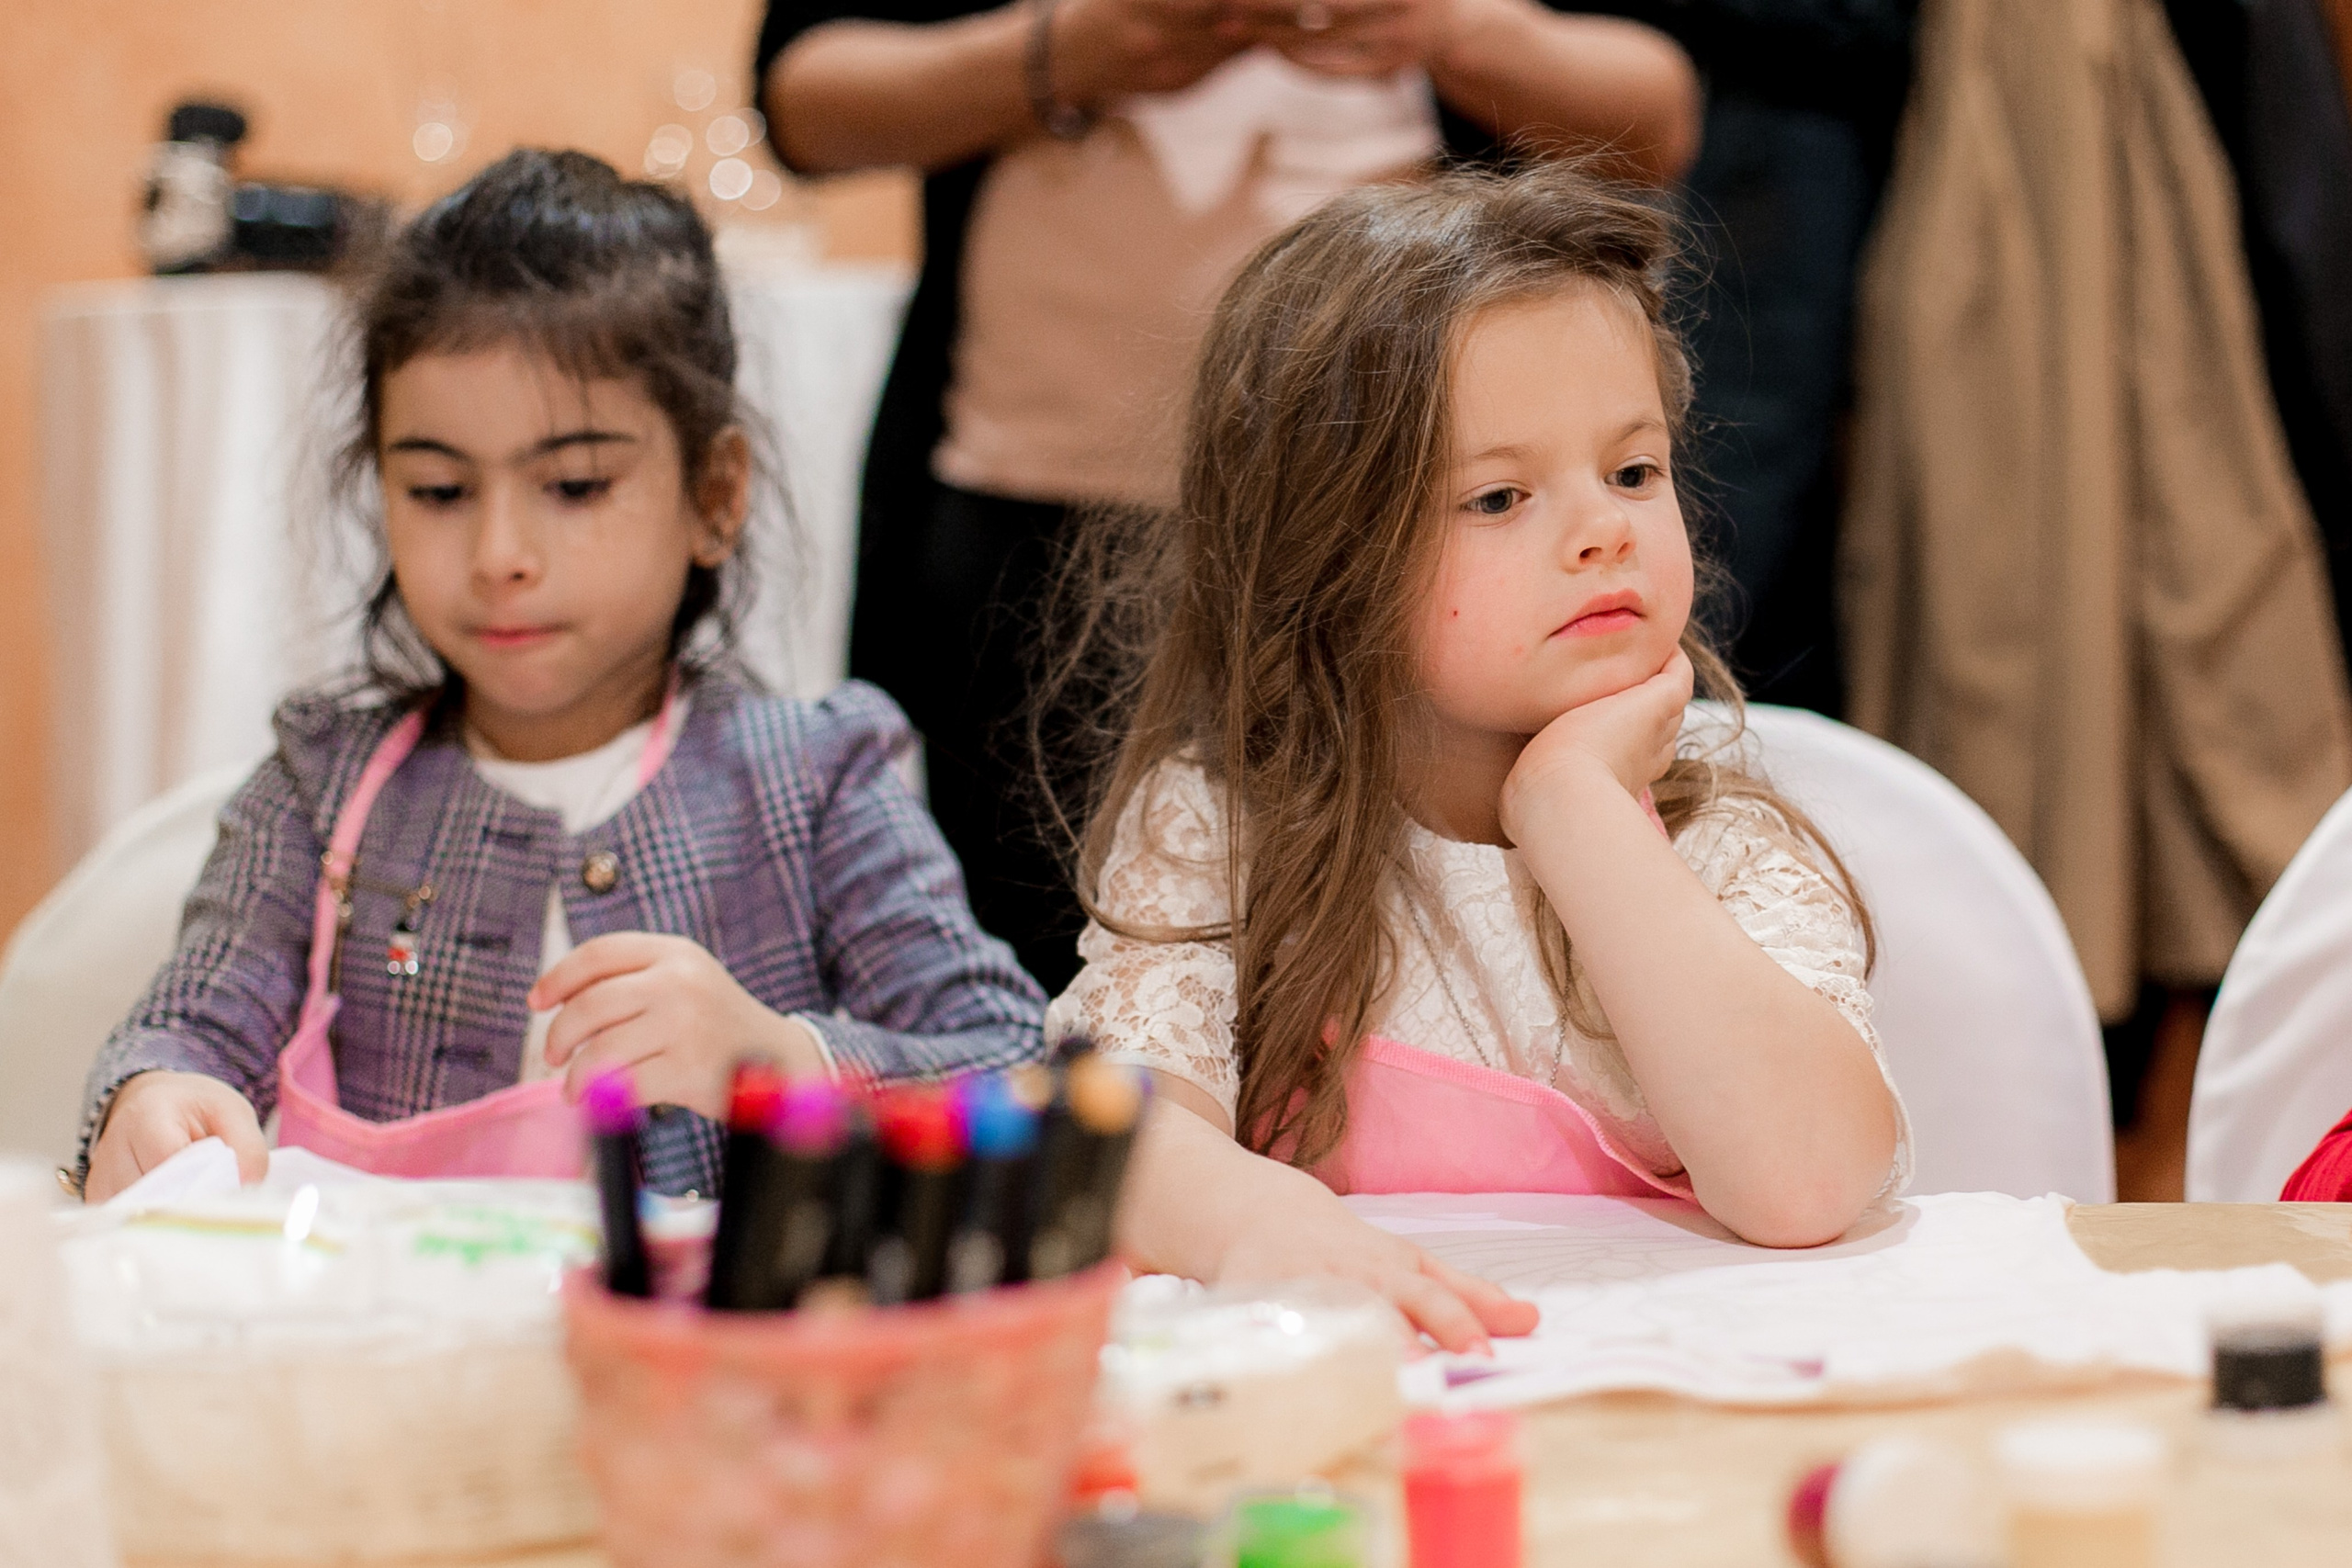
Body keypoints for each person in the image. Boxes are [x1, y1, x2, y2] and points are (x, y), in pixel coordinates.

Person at [75, 149, 1045, 1204]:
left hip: (705, 1362)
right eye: (440, 489)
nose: (499, 553)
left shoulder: (815, 781)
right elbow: (193, 1022)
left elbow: (1012, 1066)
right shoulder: (320, 788)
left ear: (715, 495)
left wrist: (782, 1061)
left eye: (574, 484)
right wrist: (157, 1091)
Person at [1046, 164, 1908, 1349]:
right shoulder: (1221, 829)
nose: (1605, 528)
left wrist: (1577, 808)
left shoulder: (1720, 835)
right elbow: (1106, 1139)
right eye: (1500, 495)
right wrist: (1251, 1219)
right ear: (1327, 558)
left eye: (1633, 470)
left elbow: (1811, 1179)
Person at [755, 0, 1701, 991]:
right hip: (1029, 500)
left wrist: (1441, 26)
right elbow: (803, 105)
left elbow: (1657, 118)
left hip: (1408, 533)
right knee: (1022, 966)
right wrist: (1071, 48)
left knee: (1423, 951)